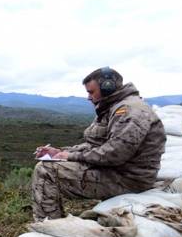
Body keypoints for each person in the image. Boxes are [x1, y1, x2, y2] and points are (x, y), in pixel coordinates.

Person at [31, 67, 166, 221]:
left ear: (107, 88)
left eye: (91, 92)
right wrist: (60, 152)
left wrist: (70, 156)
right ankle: (53, 220)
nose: (89, 97)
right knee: (49, 164)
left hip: (128, 179)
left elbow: (115, 153)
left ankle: (48, 226)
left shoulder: (129, 111)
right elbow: (96, 144)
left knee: (46, 171)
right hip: (117, 172)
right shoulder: (113, 108)